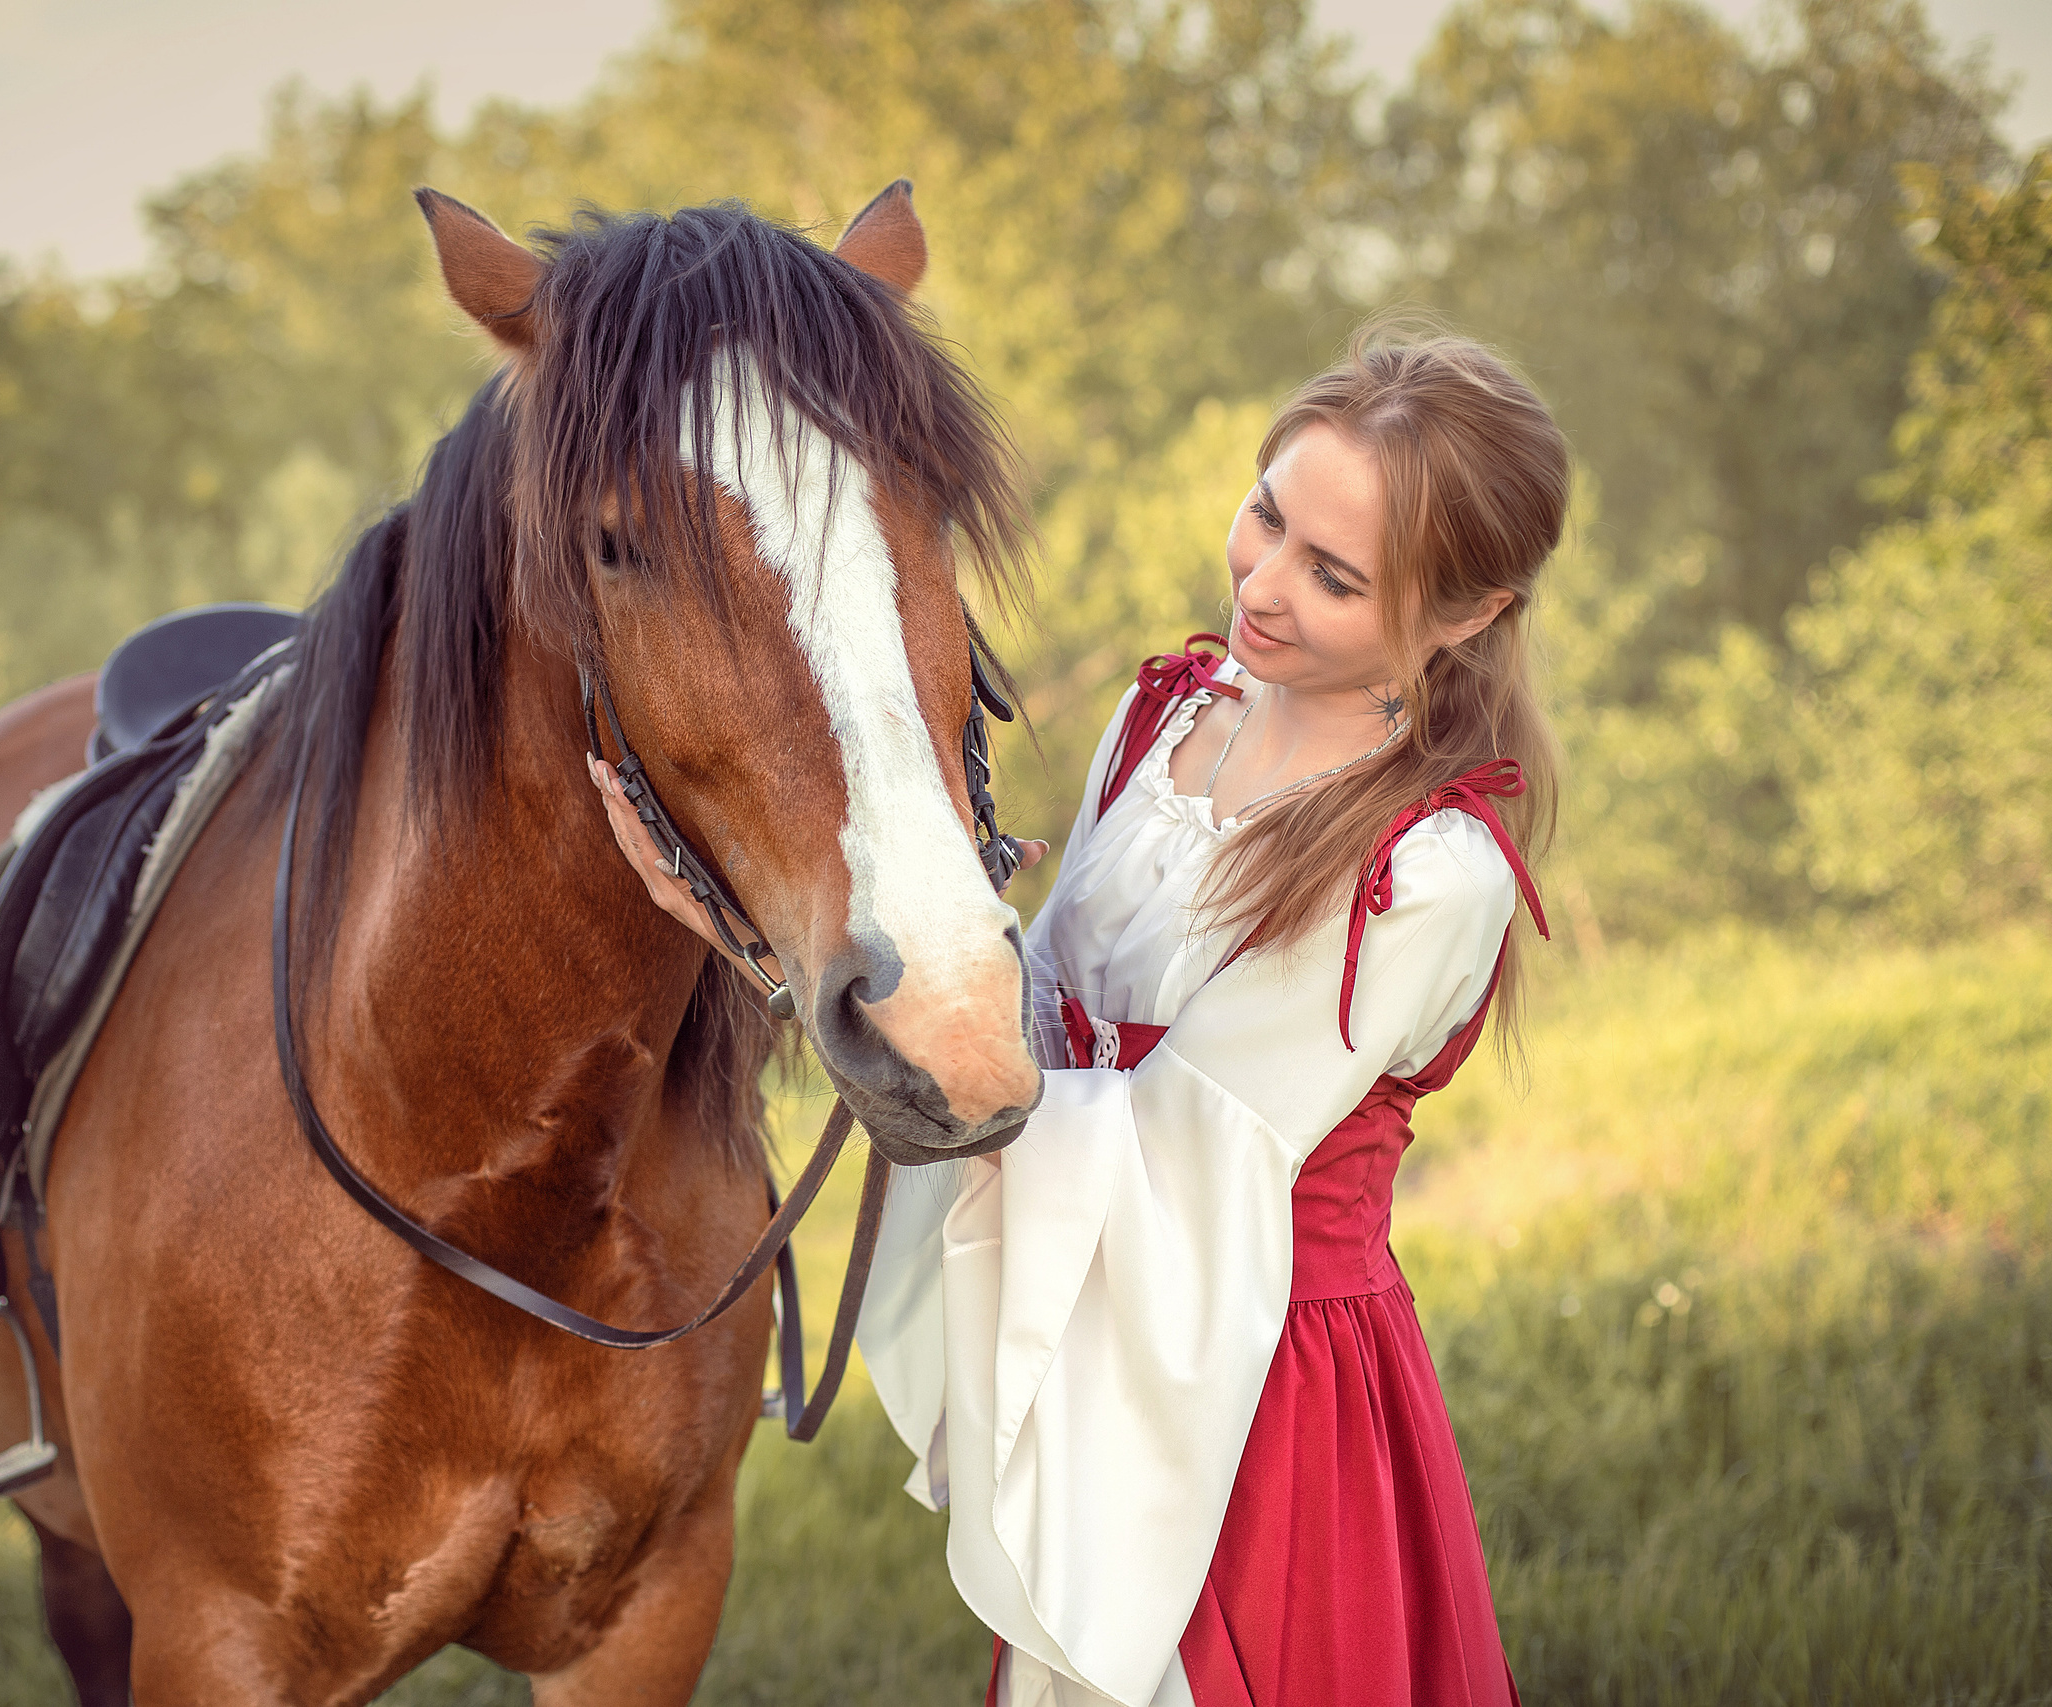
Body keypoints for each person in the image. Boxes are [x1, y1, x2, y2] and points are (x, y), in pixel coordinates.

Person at [594, 323, 1564, 1707]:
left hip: (1249, 1381)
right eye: (1267, 515)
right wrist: (841, 943)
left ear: (1465, 614)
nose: (1267, 586)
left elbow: (1174, 1160)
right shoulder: (1164, 718)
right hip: (1087, 1312)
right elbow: (1027, 1029)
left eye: (1335, 577)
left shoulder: (1423, 873)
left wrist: (826, 1002)